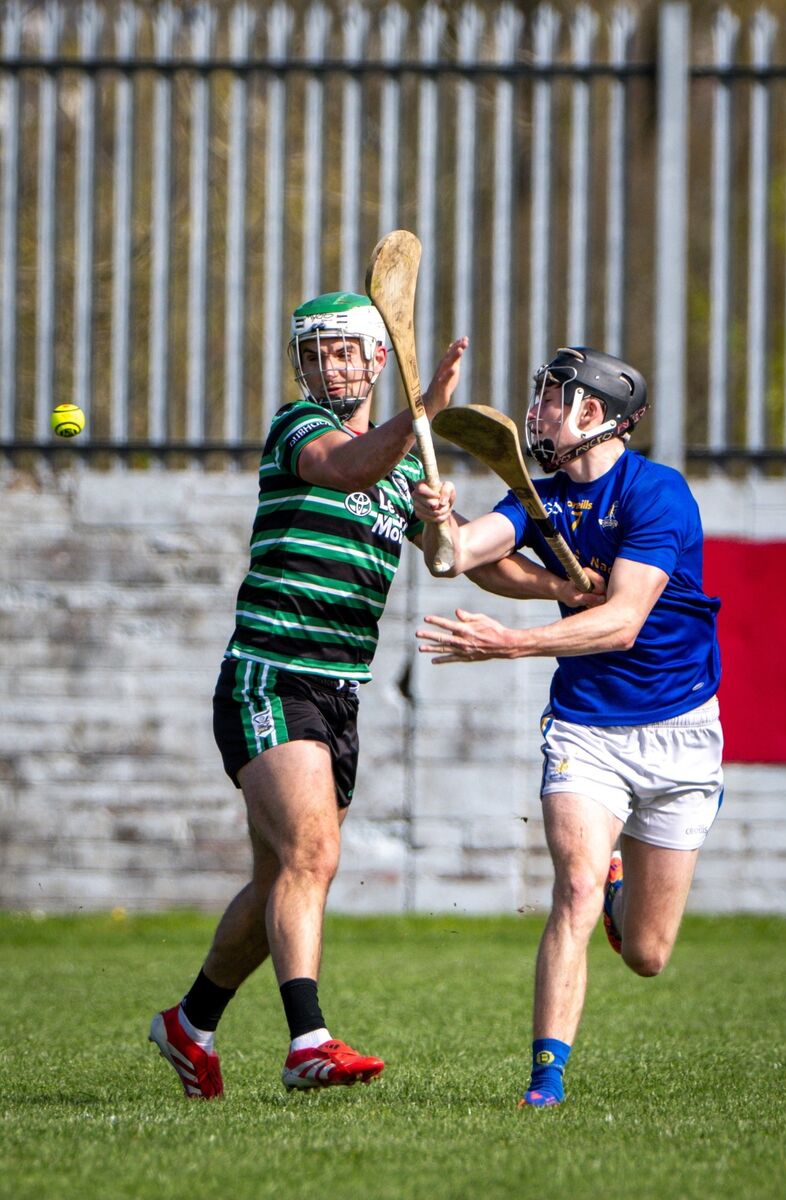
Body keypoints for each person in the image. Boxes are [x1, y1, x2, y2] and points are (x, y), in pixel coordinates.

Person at [149, 291, 472, 1098]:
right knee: (313, 856)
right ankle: (308, 1043)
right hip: (271, 673)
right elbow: (345, 465)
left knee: (278, 883)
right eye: (315, 353)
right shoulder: (301, 430)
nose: (327, 366)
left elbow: (457, 559)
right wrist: (423, 414)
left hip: (340, 694)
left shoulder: (399, 472)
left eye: (342, 352)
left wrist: (448, 524)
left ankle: (188, 1024)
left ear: (371, 361)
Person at [413, 346, 723, 1109]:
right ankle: (545, 1080)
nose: (538, 409)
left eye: (555, 397)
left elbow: (620, 622)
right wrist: (438, 522)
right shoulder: (537, 498)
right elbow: (459, 558)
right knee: (575, 886)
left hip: (679, 727)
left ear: (596, 413)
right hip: (586, 727)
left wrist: (510, 643)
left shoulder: (659, 494)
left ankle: (626, 898)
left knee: (647, 954)